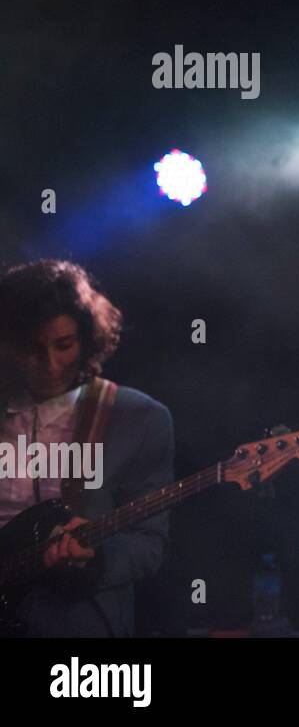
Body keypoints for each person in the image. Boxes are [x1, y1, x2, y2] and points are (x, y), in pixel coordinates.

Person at [0, 259, 174, 636]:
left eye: (63, 345)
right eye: (33, 348)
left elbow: (148, 545)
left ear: (86, 337)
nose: (49, 364)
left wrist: (95, 558)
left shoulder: (138, 418)